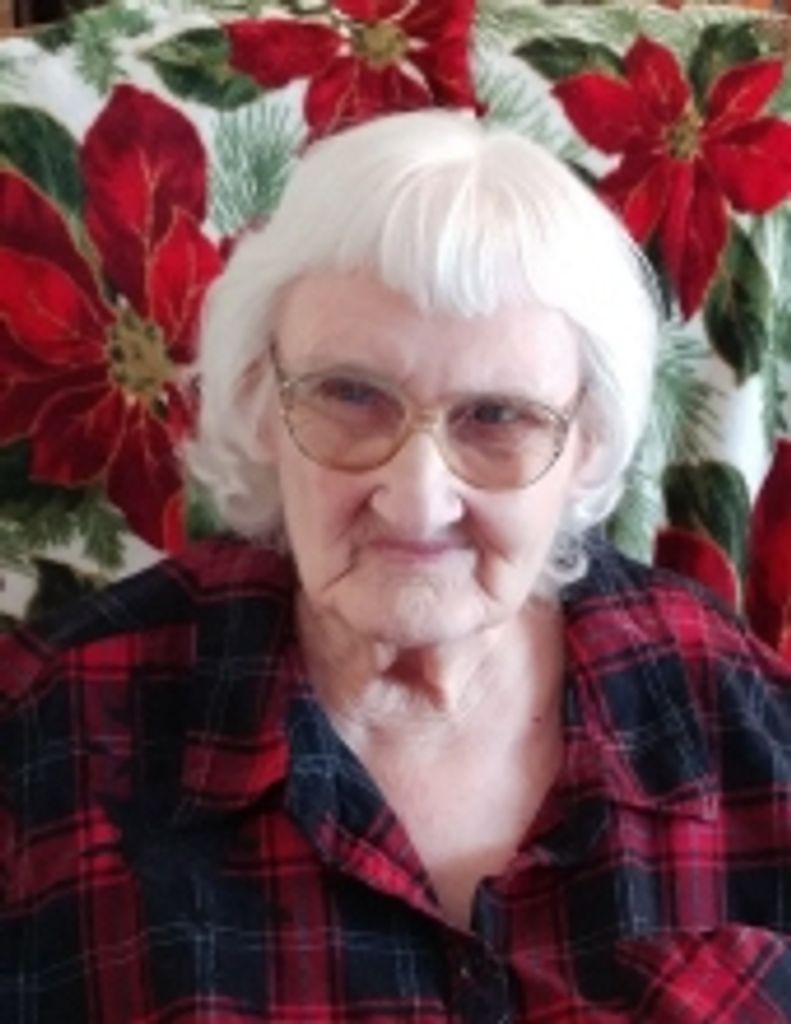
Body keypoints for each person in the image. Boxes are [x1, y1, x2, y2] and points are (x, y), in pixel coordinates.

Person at [1, 110, 790, 1023]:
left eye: (496, 417)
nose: (417, 501)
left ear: (586, 442)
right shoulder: (53, 726)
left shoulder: (728, 707)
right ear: (259, 401)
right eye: (350, 395)